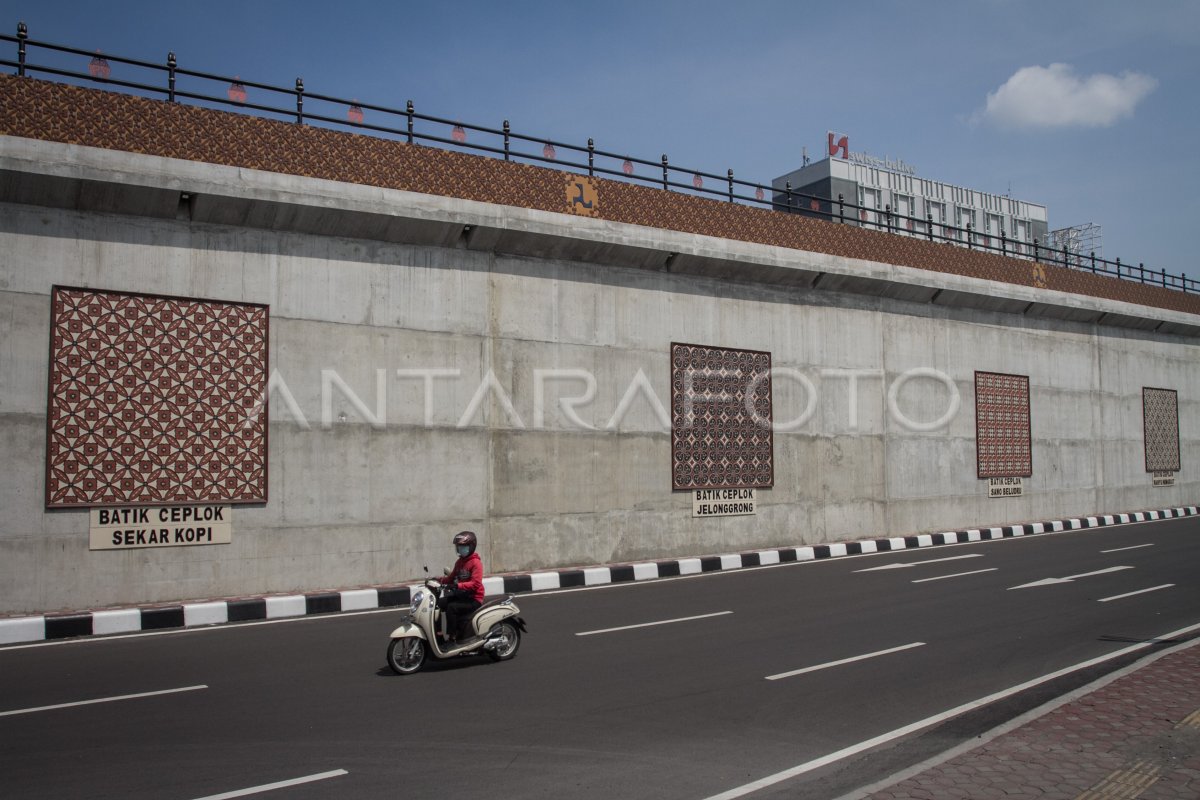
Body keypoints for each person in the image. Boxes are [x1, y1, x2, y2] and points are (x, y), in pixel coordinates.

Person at [438, 530, 484, 642]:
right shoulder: (459, 562)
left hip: (473, 599)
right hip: (462, 595)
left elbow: (475, 583)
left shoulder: (476, 563)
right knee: (438, 603)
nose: (460, 549)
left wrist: (458, 586)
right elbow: (450, 578)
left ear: (471, 546)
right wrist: (438, 580)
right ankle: (438, 633)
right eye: (459, 546)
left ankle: (452, 636)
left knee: (451, 608)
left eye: (463, 546)